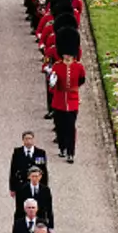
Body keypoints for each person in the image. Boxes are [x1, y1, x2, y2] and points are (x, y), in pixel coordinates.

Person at [48, 28, 86, 164]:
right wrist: (53, 82)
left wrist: (73, 90)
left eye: (70, 54)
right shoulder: (57, 66)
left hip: (73, 101)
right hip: (58, 101)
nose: (67, 56)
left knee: (70, 127)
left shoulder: (79, 67)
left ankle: (70, 152)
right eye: (65, 54)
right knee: (60, 126)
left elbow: (82, 79)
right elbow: (52, 84)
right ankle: (62, 147)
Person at [8, 131, 50, 196]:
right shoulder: (18, 152)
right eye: (26, 139)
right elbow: (13, 170)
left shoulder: (40, 153)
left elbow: (43, 170)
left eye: (30, 138)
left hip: (36, 184)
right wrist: (12, 188)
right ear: (23, 140)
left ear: (33, 140)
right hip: (21, 185)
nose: (28, 141)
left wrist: (45, 187)